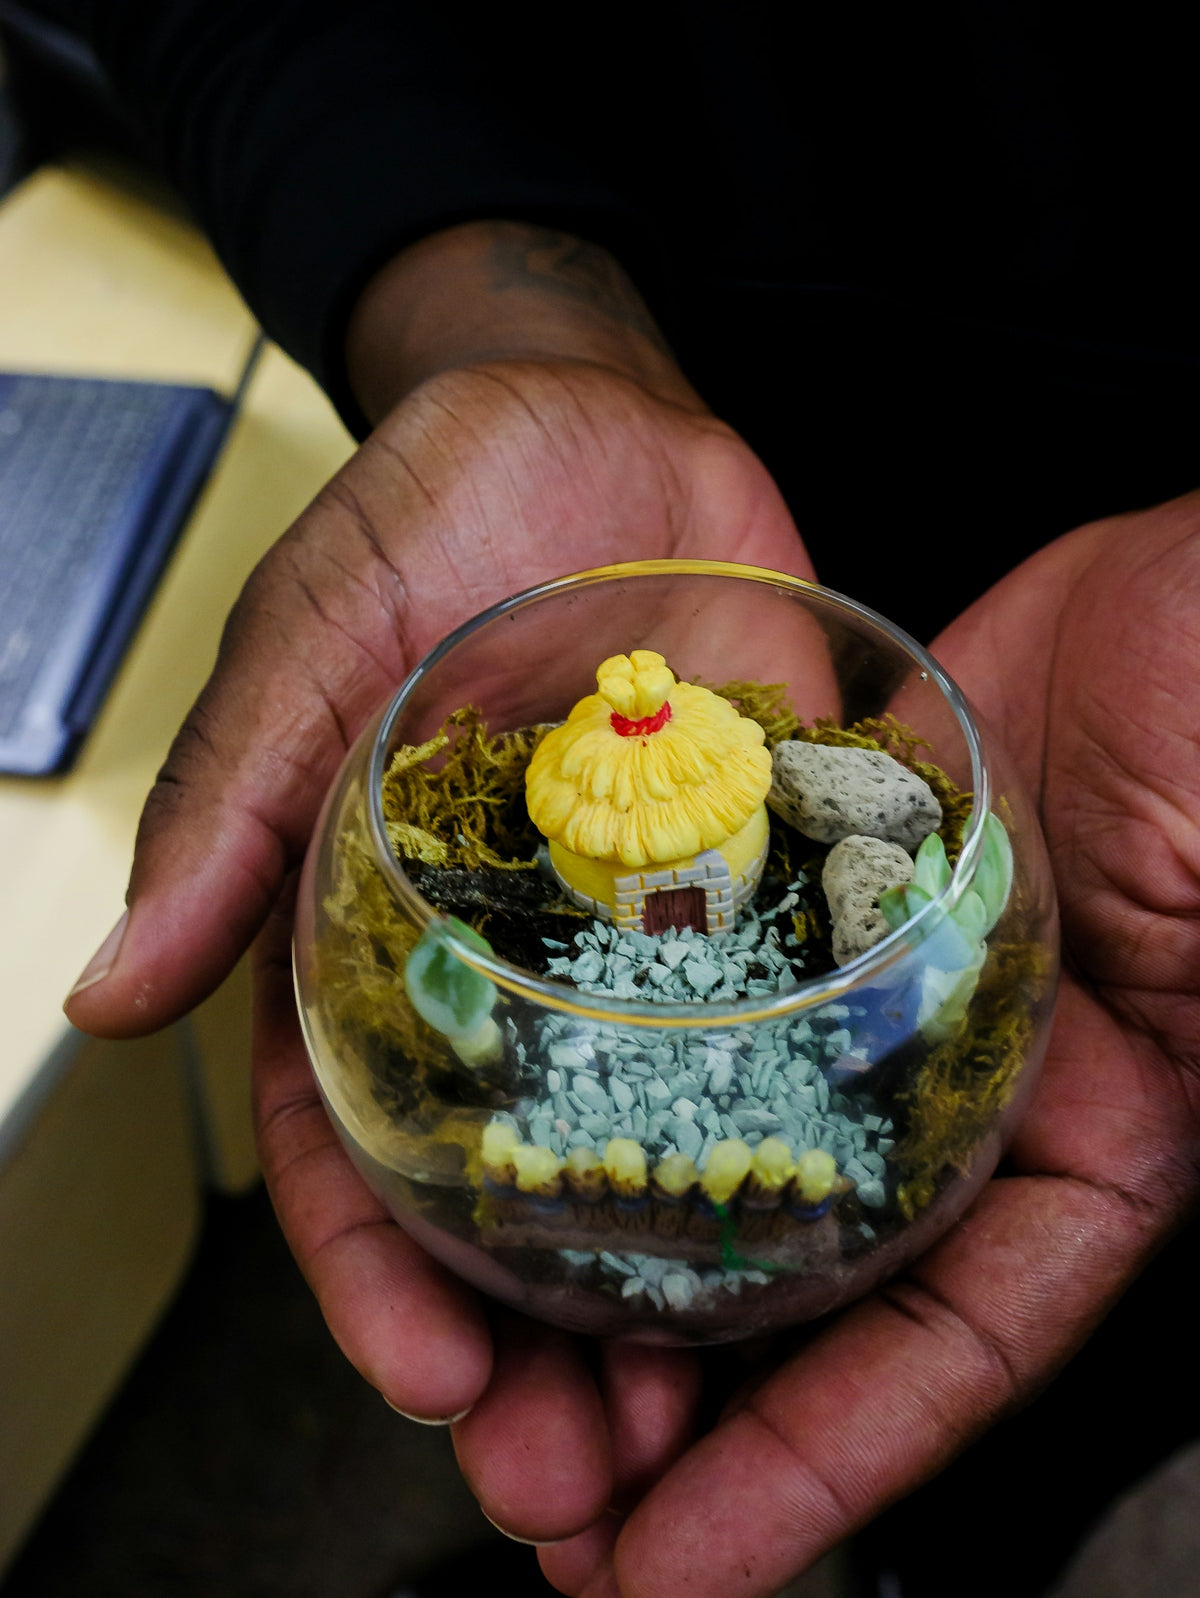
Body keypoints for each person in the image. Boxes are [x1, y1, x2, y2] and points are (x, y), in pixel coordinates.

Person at [33, 3, 1200, 1594]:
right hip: (623, 378)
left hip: (1131, 661)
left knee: (1050, 1363)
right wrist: (486, 313)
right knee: (721, 1423)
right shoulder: (582, 803)